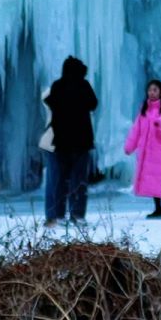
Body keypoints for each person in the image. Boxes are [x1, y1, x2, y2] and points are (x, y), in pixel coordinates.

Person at [43, 55, 98, 226]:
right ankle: (77, 214)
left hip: (61, 141)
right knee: (78, 180)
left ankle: (57, 215)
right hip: (81, 142)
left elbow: (50, 102)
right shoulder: (84, 85)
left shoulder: (58, 86)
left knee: (58, 180)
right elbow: (93, 104)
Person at [124, 78, 161, 219]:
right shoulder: (145, 110)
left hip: (160, 151)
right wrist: (130, 146)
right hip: (147, 151)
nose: (152, 93)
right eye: (150, 90)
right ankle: (158, 208)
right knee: (153, 180)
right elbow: (136, 129)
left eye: (155, 90)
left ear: (160, 92)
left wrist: (159, 123)